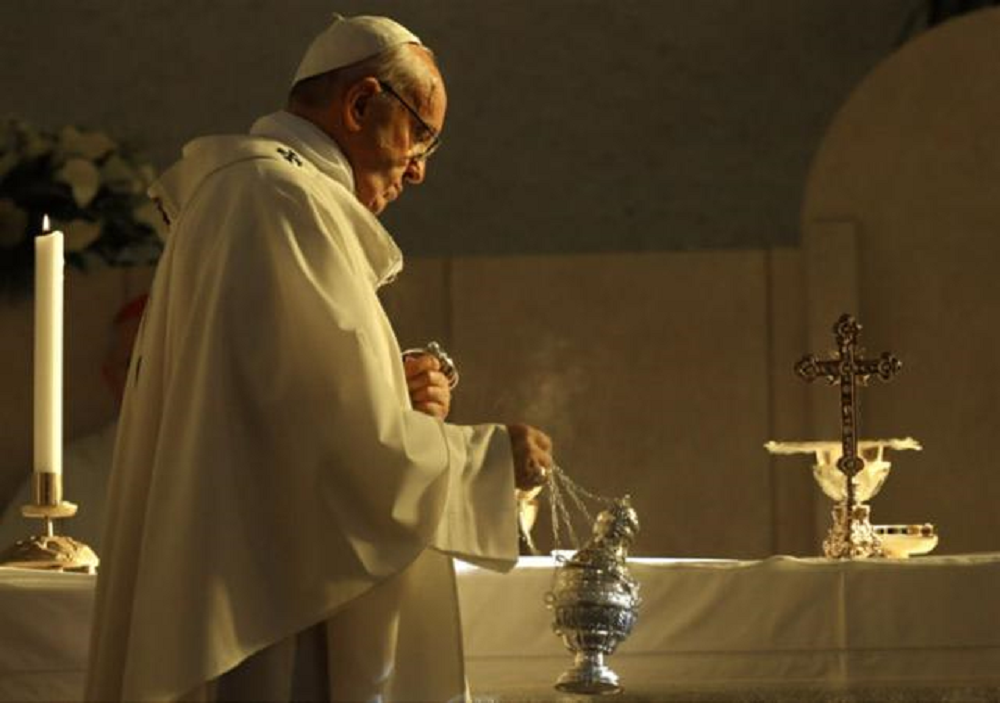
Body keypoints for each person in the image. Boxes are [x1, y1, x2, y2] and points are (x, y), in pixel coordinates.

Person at [84, 14, 553, 703]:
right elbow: (343, 449)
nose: (419, 169)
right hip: (265, 608)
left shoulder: (253, 193)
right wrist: (483, 460)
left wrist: (390, 390)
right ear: (362, 104)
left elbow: (274, 412)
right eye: (422, 135)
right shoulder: (279, 198)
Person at [0, 294, 146, 554]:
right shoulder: (72, 471)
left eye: (159, 362)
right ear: (111, 378)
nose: (149, 378)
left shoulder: (226, 460)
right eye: (132, 365)